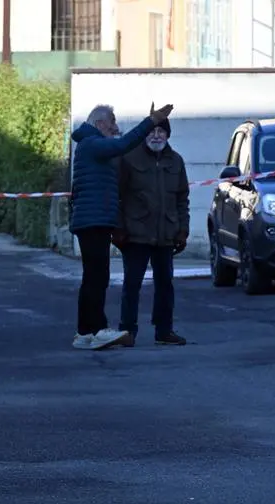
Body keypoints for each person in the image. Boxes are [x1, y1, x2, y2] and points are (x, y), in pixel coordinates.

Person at [69, 102, 173, 350]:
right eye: (112, 122)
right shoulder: (93, 144)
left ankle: (84, 332)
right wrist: (151, 121)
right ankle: (95, 329)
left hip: (93, 219)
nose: (115, 128)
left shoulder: (89, 145)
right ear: (99, 123)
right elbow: (121, 144)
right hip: (94, 220)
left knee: (93, 276)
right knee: (97, 277)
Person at [113, 119, 189, 346]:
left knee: (165, 283)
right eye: (152, 131)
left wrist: (183, 229)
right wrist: (118, 228)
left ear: (168, 135)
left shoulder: (176, 161)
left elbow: (182, 198)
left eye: (161, 131)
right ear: (144, 135)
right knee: (132, 284)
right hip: (136, 233)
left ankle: (164, 331)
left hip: (166, 233)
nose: (156, 136)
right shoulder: (128, 158)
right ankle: (127, 330)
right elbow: (117, 195)